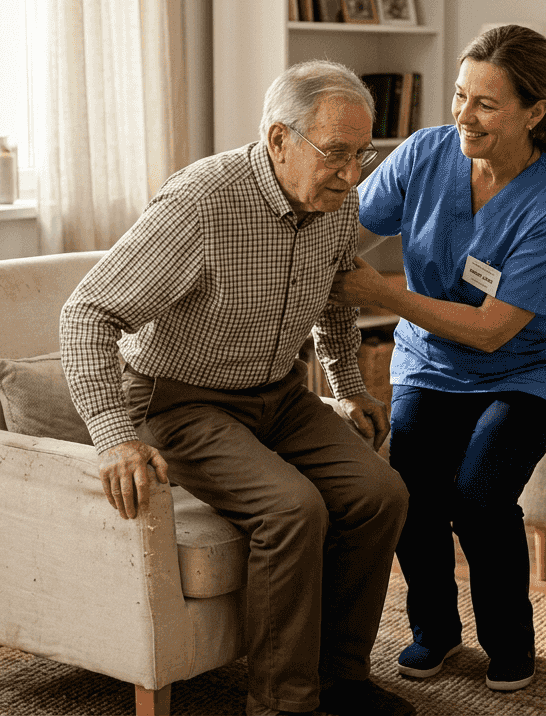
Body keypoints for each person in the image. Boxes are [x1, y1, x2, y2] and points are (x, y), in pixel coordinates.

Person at [60, 60, 413, 716]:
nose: (352, 172)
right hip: (179, 399)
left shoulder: (339, 202)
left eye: (362, 153)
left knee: (380, 493)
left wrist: (349, 387)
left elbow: (338, 292)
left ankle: (342, 681)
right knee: (291, 509)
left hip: (277, 393)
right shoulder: (201, 203)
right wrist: (113, 437)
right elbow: (87, 313)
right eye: (336, 153)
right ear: (279, 139)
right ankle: (282, 703)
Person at [330, 24, 546, 692]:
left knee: (479, 497)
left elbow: (493, 330)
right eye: (459, 95)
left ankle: (509, 642)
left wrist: (381, 292)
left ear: (536, 111)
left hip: (526, 370)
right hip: (431, 363)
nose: (463, 116)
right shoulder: (426, 155)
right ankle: (435, 632)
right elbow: (345, 219)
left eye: (485, 104)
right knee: (409, 495)